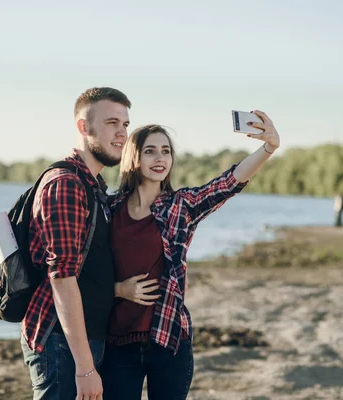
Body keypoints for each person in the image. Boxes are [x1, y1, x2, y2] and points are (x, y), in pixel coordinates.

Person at [100, 111, 280, 400]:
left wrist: (268, 148)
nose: (160, 158)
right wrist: (118, 290)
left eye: (166, 151)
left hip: (169, 338)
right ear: (133, 157)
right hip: (118, 341)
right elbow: (88, 270)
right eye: (150, 151)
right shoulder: (109, 209)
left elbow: (227, 184)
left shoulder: (180, 206)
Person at [20, 87, 131, 400]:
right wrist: (84, 368)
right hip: (61, 342)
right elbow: (63, 278)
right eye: (112, 123)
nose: (122, 133)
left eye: (125, 124)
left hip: (84, 339)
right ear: (84, 127)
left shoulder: (93, 185)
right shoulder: (66, 184)